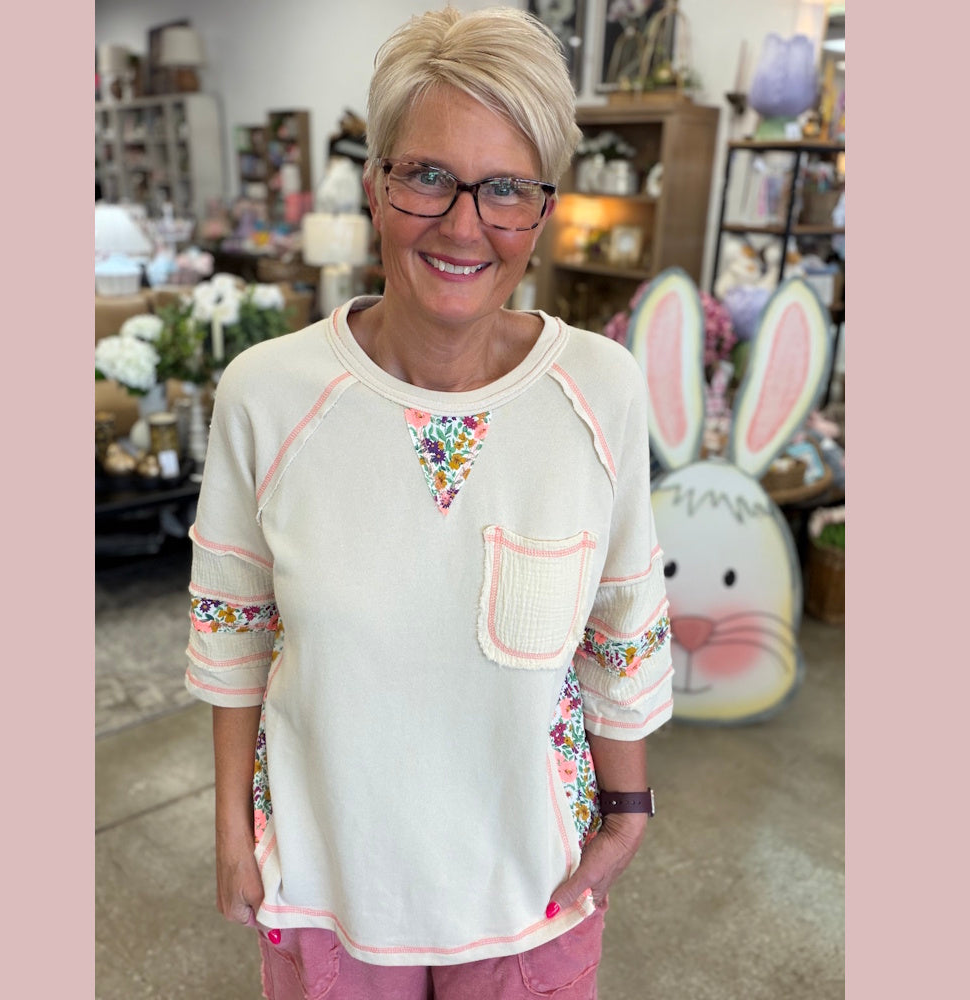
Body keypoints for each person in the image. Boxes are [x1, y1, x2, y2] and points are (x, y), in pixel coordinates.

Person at [185, 6, 672, 998]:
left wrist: (626, 813)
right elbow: (234, 628)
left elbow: (622, 620)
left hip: (532, 888)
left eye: (505, 189)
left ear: (542, 208)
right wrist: (233, 829)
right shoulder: (266, 394)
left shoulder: (600, 389)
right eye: (426, 176)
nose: (463, 225)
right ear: (374, 183)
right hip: (329, 885)